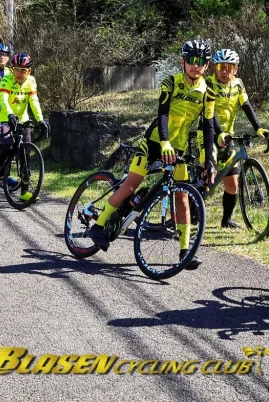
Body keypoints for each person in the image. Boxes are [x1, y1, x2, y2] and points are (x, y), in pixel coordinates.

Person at [87, 40, 217, 269]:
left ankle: (185, 251)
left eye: (201, 62)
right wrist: (164, 142)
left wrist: (209, 162)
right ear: (183, 61)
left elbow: (207, 127)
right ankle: (98, 225)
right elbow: (163, 115)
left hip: (179, 149)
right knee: (129, 186)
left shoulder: (209, 92)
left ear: (207, 65)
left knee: (182, 198)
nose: (196, 66)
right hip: (155, 142)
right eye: (192, 61)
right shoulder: (172, 83)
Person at [204, 48, 269, 229]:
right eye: (221, 67)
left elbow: (247, 105)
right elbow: (210, 114)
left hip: (229, 136)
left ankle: (226, 220)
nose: (225, 71)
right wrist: (219, 133)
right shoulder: (208, 83)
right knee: (208, 175)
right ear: (215, 69)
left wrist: (258, 128)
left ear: (236, 69)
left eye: (229, 67)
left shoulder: (238, 84)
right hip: (209, 134)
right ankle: (193, 212)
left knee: (232, 184)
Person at [0, 52, 49, 195]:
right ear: (12, 68)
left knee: (25, 154)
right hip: (6, 117)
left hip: (23, 118)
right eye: (16, 69)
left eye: (23, 70)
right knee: (8, 144)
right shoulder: (7, 79)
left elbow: (34, 101)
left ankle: (24, 192)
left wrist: (40, 119)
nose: (19, 73)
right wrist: (9, 114)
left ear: (30, 71)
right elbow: (3, 98)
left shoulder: (31, 81)